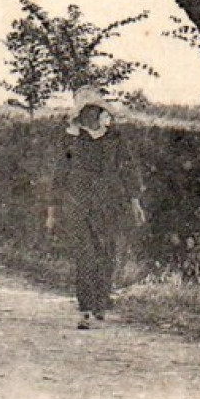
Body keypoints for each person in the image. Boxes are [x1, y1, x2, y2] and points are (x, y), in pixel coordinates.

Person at [46, 87, 148, 330]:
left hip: (108, 203)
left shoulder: (115, 138)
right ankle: (86, 309)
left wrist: (135, 203)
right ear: (80, 115)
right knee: (84, 255)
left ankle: (101, 301)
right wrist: (51, 211)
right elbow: (59, 175)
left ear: (101, 112)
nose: (91, 116)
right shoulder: (71, 139)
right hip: (77, 202)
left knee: (106, 252)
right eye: (86, 111)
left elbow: (127, 170)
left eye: (95, 111)